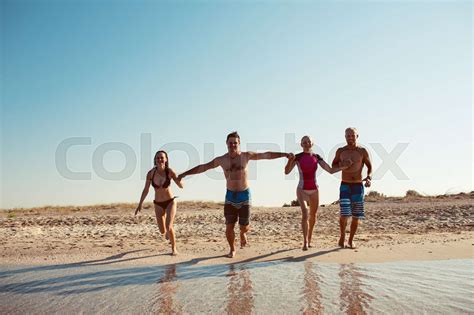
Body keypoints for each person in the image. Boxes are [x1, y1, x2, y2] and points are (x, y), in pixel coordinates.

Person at [178, 131, 292, 258]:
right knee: (229, 226)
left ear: (239, 144)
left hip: (244, 195)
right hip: (230, 196)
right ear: (226, 144)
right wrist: (184, 174)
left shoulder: (246, 156)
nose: (232, 145)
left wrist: (284, 155)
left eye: (235, 143)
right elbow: (203, 167)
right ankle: (232, 249)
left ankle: (243, 233)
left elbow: (266, 155)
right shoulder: (221, 160)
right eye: (230, 143)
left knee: (244, 227)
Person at [285, 135, 351, 251]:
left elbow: (330, 170)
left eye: (308, 141)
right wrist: (290, 161)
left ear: (312, 144)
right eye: (304, 142)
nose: (306, 143)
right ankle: (305, 242)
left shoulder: (317, 157)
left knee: (313, 216)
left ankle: (309, 239)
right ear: (301, 144)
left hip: (314, 189)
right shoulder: (297, 157)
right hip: (301, 189)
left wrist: (344, 167)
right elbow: (287, 172)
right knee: (305, 213)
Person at [135, 150, 183, 255]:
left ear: (166, 159)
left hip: (170, 201)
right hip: (158, 204)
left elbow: (181, 186)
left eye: (162, 157)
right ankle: (167, 232)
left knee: (169, 227)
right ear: (155, 160)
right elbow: (146, 189)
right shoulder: (151, 174)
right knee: (162, 231)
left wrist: (179, 180)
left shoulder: (169, 171)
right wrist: (140, 204)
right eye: (158, 158)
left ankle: (174, 248)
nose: (160, 159)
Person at [331, 127, 372, 249]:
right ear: (345, 137)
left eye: (352, 135)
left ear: (357, 136)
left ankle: (351, 240)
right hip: (345, 185)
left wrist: (369, 177)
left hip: (358, 186)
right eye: (348, 136)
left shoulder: (362, 151)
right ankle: (342, 237)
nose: (350, 137)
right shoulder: (340, 151)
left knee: (356, 215)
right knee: (344, 214)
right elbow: (333, 166)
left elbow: (370, 167)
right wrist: (343, 164)